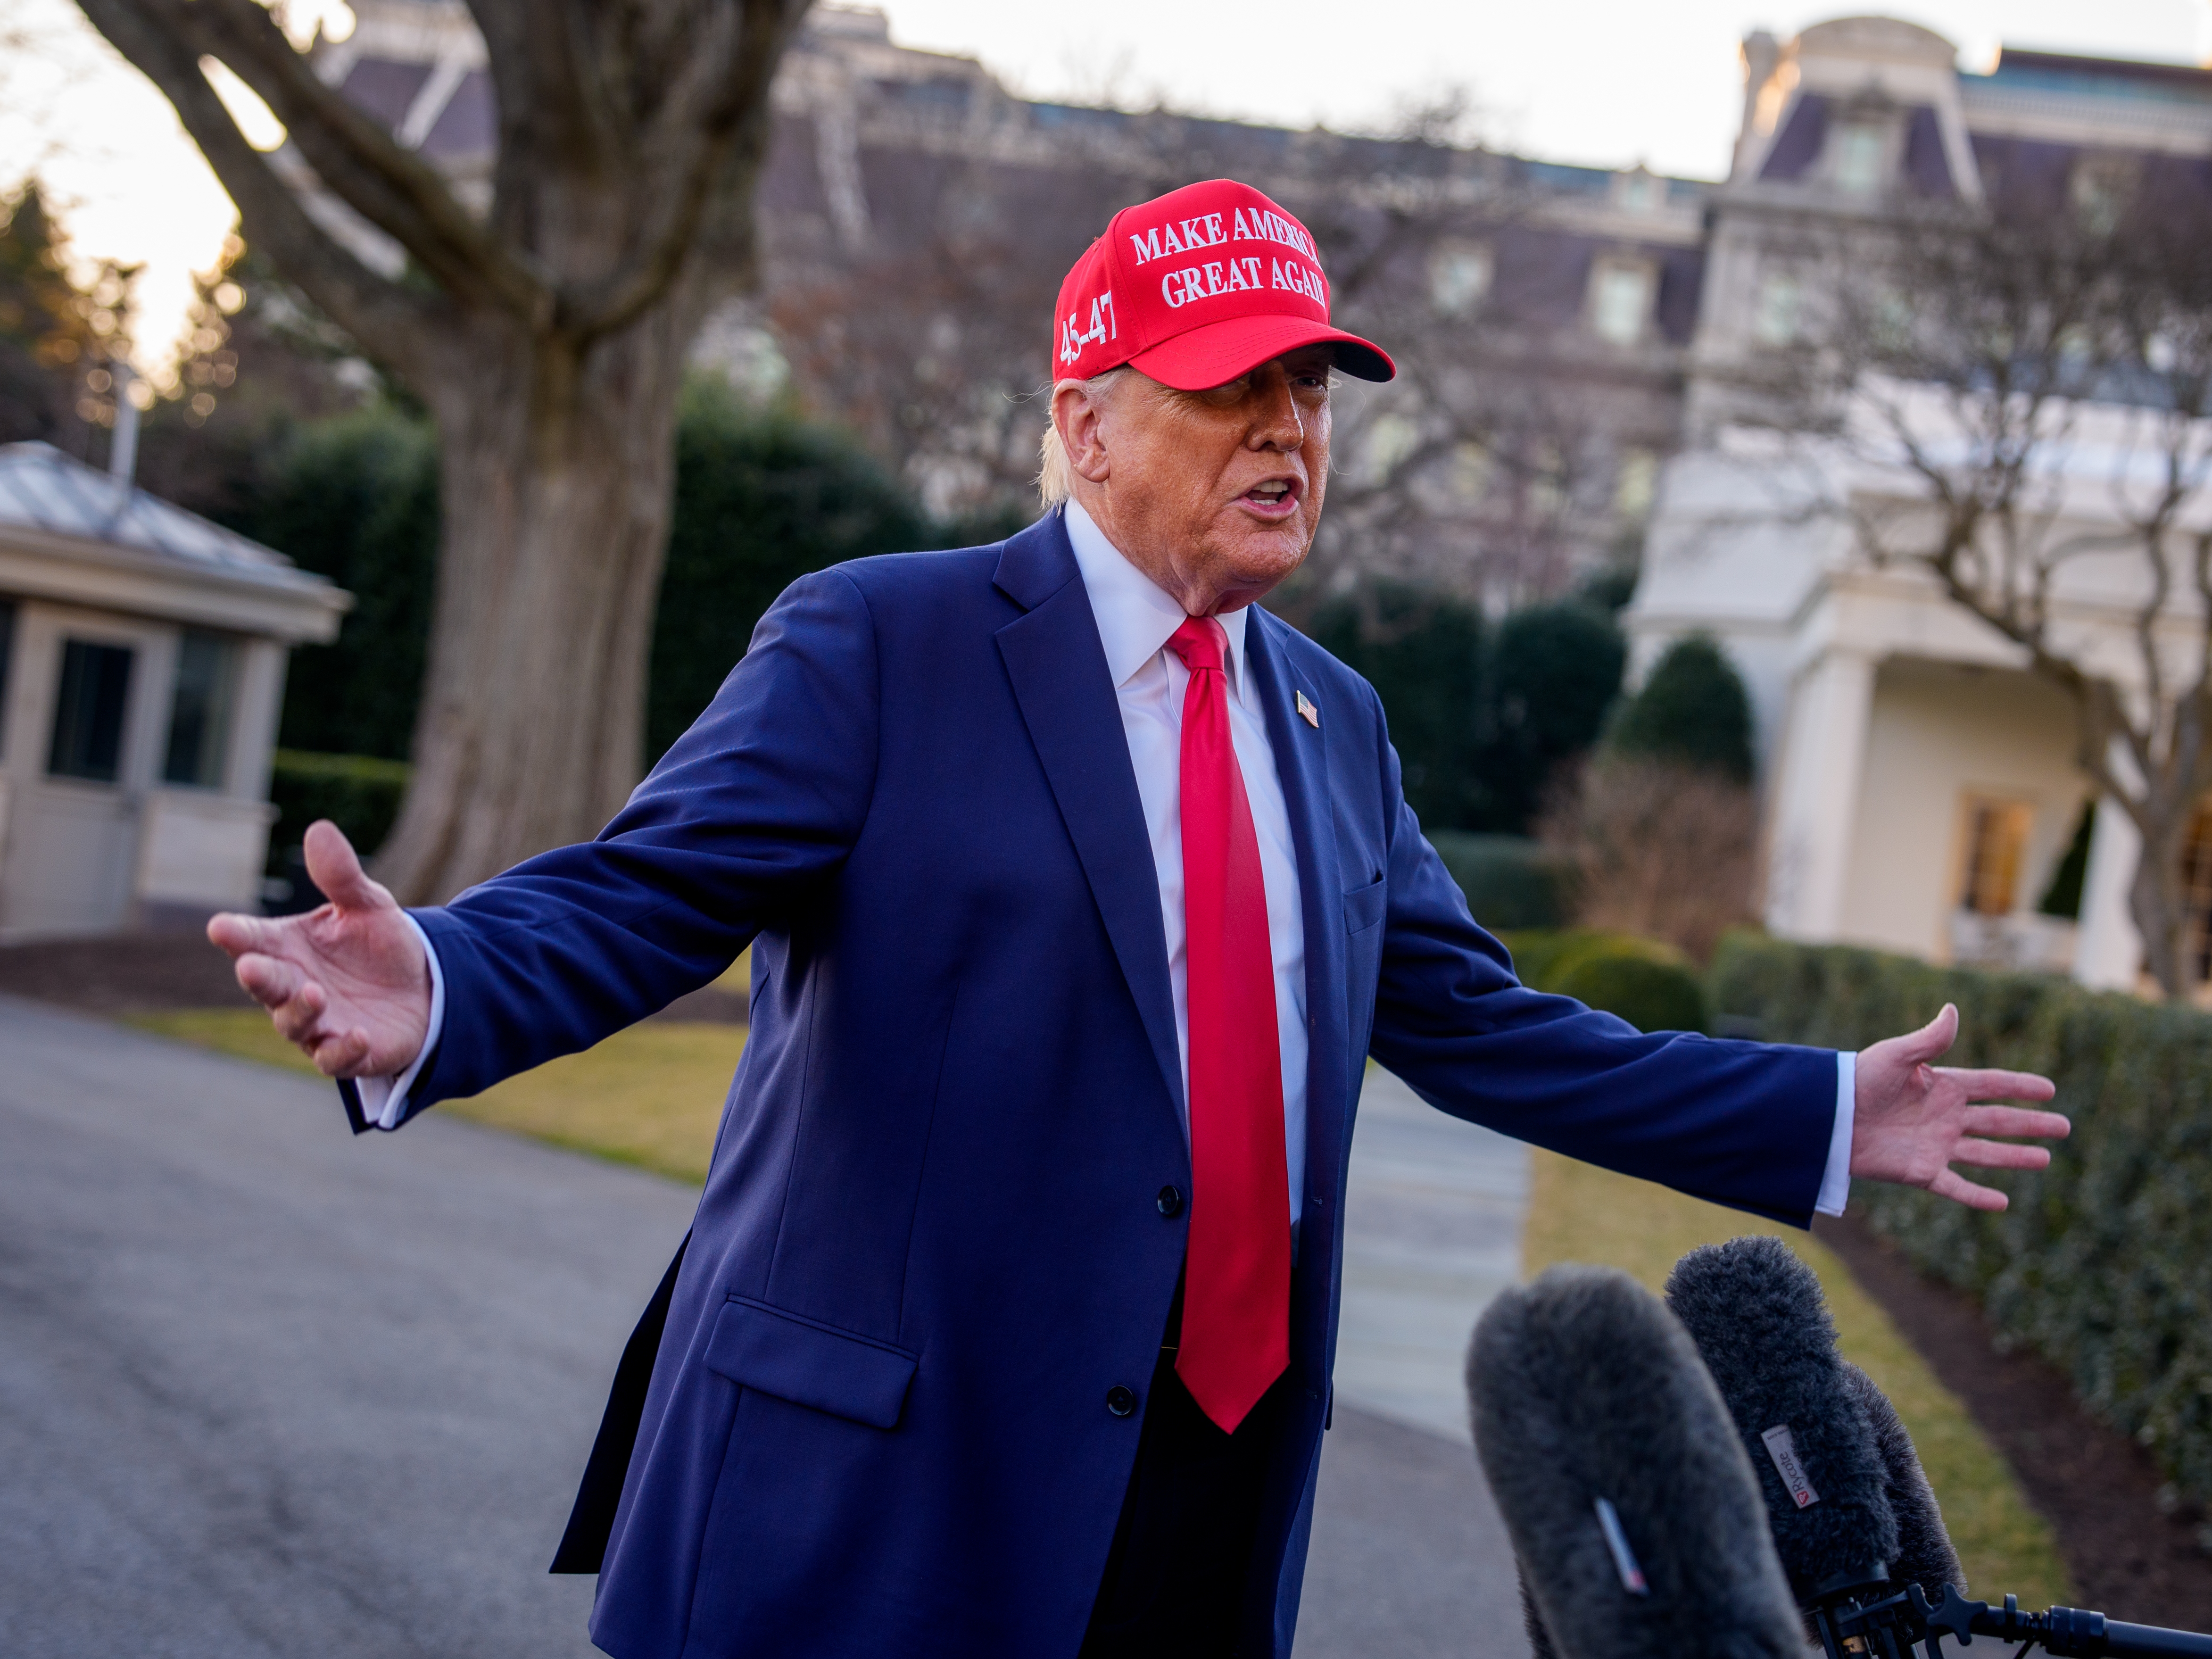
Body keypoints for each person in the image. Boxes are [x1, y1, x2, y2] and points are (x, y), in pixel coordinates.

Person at [208, 178, 2065, 1659]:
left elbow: (1492, 1029)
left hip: (1205, 1492)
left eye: (1309, 391)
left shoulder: (1335, 726)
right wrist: (442, 974)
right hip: (882, 1487)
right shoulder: (885, 642)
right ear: (1084, 426)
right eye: (1231, 387)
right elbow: (644, 895)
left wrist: (1819, 1110)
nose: (1288, 431)